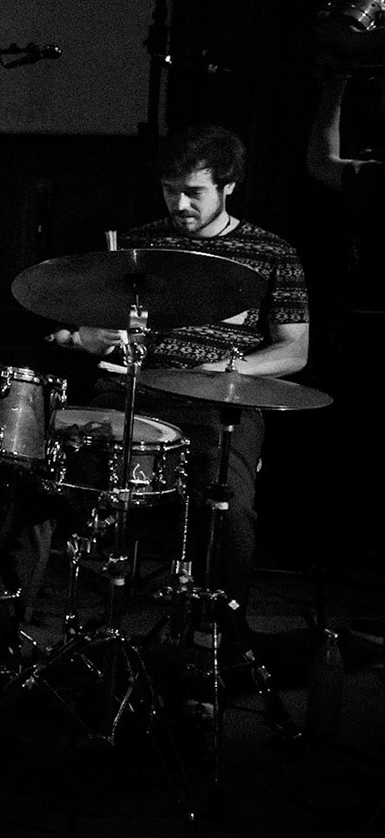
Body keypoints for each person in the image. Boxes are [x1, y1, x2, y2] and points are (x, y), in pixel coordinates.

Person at [49, 125, 309, 637]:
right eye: (172, 190)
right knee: (39, 479)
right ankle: (10, 631)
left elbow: (294, 351)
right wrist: (88, 335)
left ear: (229, 186)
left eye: (195, 192)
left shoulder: (271, 251)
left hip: (218, 403)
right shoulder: (137, 246)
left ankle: (218, 643)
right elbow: (87, 323)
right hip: (130, 392)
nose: (181, 204)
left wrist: (225, 371)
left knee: (230, 512)